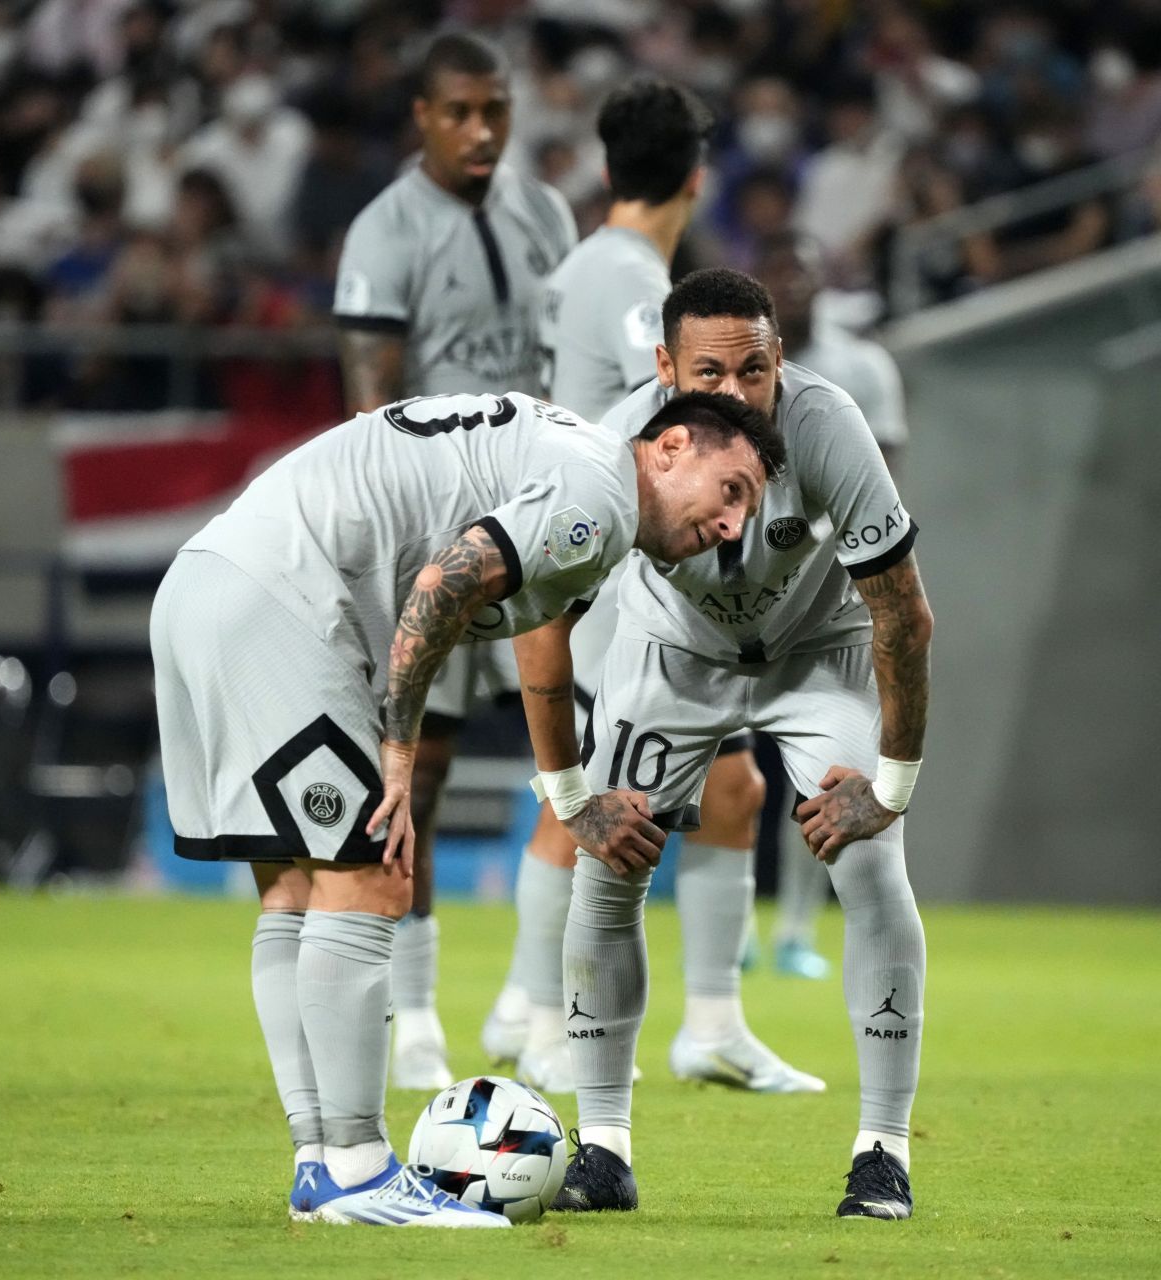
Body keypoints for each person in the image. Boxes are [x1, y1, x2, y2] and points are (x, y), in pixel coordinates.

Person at [150, 387, 784, 1226]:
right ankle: (359, 1170)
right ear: (669, 448)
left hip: (211, 581)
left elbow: (544, 659)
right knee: (375, 872)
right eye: (731, 490)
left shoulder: (579, 483)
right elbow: (441, 585)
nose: (732, 526)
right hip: (284, 603)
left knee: (298, 891)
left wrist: (571, 797)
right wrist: (399, 751)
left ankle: (319, 1162)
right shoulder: (595, 491)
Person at [548, 269, 931, 1220]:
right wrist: (567, 793)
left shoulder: (830, 426)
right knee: (608, 867)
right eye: (707, 372)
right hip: (670, 654)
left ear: (779, 362)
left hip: (818, 651)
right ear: (665, 369)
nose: (734, 392)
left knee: (871, 862)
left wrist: (892, 784)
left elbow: (904, 615)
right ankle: (602, 1149)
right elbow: (543, 615)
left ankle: (882, 1150)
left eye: (752, 370)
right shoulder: (615, 446)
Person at [485, 77, 816, 1095]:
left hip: (601, 560)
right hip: (609, 569)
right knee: (585, 797)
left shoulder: (590, 263)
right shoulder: (628, 277)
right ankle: (544, 1015)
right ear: (698, 171)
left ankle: (690, 1019)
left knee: (728, 784)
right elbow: (689, 406)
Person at [331, 32, 577, 1090]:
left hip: (547, 531)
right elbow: (369, 407)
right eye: (461, 111)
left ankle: (532, 1000)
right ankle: (417, 1009)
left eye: (497, 109)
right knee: (416, 780)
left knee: (572, 760)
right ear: (422, 117)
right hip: (439, 543)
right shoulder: (384, 232)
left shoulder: (546, 214)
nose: (483, 130)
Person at [744, 230, 909, 981]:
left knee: (825, 770)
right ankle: (737, 931)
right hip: (736, 587)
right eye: (778, 274)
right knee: (730, 770)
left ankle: (796, 931)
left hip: (830, 594)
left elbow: (884, 479)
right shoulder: (733, 368)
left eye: (804, 272)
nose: (794, 286)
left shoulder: (863, 367)